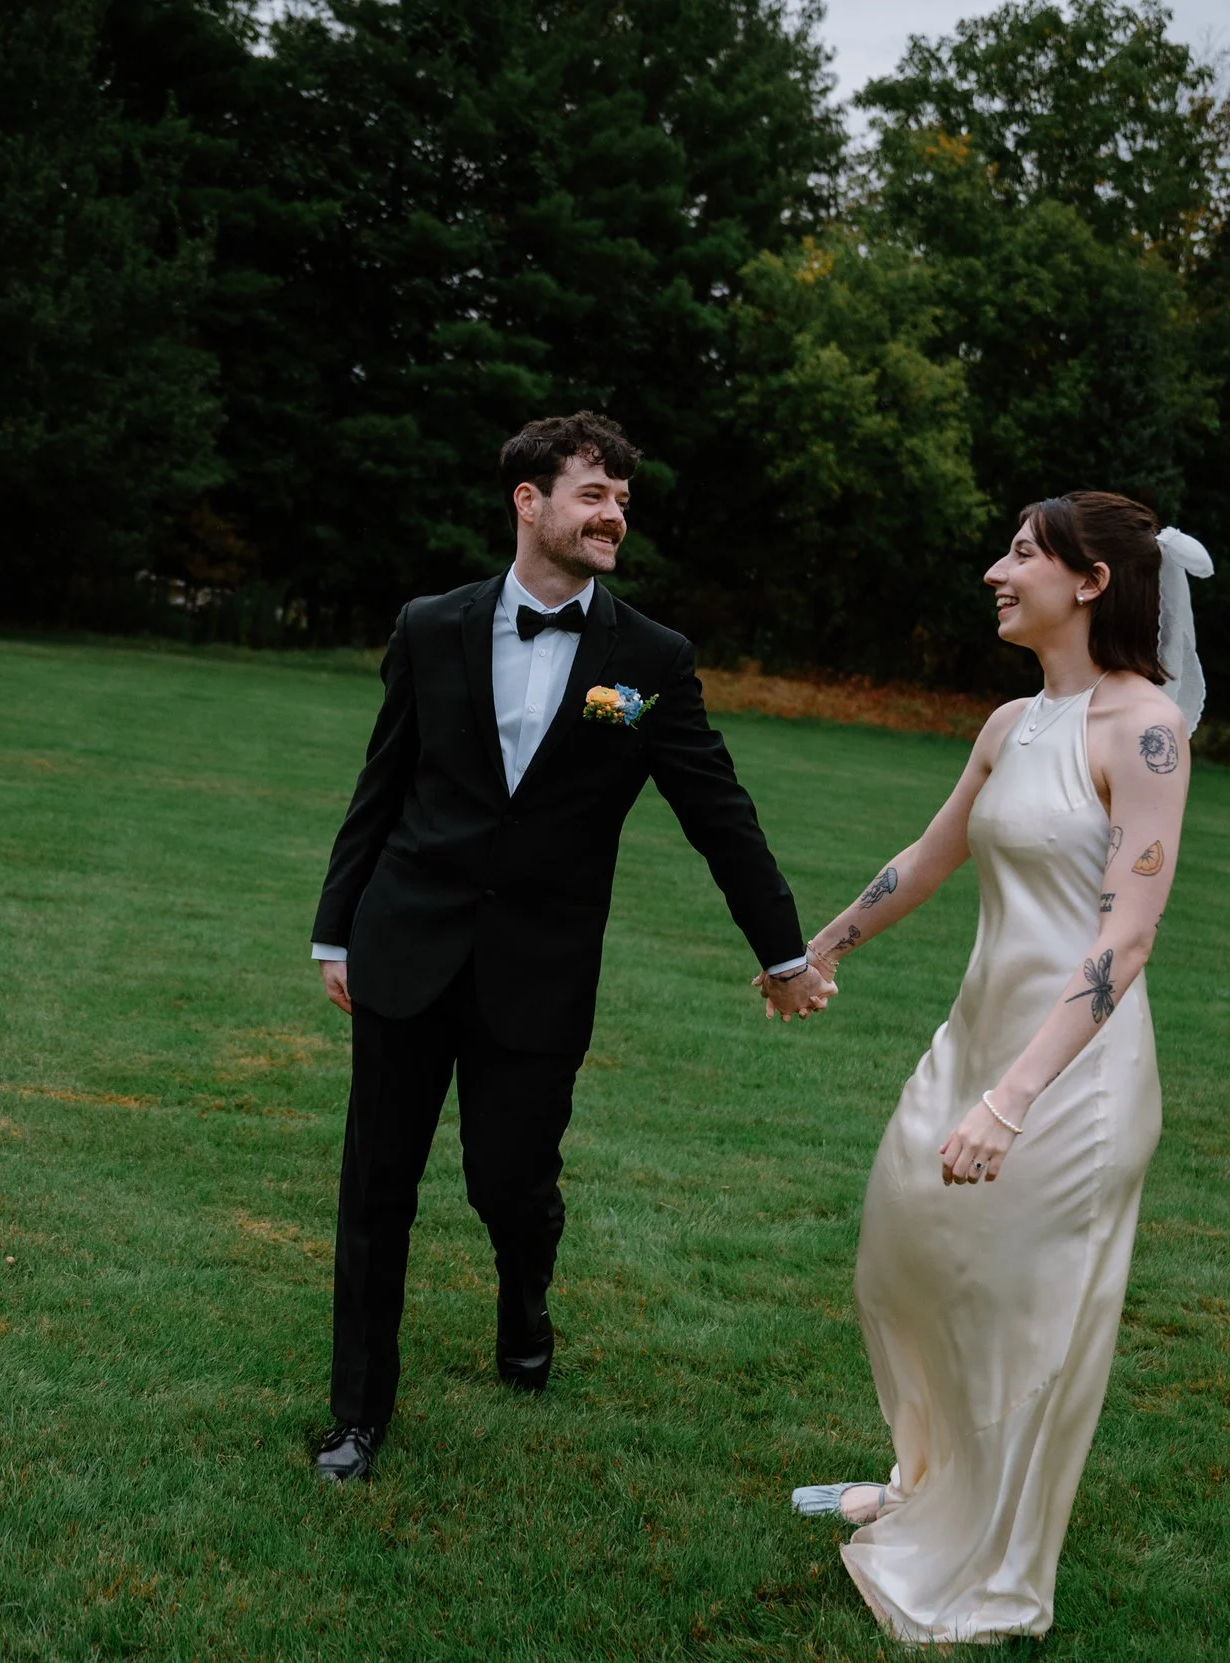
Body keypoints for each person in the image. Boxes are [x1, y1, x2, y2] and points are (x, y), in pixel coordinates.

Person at [306, 411, 836, 1483]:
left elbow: (717, 811)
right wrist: (334, 928)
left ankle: (525, 1294)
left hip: (538, 971)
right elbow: (381, 787)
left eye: (624, 502)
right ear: (529, 501)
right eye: (595, 495)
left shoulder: (647, 659)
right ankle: (358, 1415)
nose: (615, 517)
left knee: (508, 1181)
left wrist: (784, 951)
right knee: (374, 1189)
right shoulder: (429, 624)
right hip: (406, 943)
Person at [788, 491, 1212, 1643]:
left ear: (1090, 582)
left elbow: (1125, 936)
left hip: (1070, 1078)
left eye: (1021, 554)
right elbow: (926, 860)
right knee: (902, 1258)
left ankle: (993, 1572)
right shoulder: (1006, 724)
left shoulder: (1147, 729)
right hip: (971, 1044)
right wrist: (814, 948)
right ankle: (923, 1484)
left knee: (1025, 1318)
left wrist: (1015, 1099)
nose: (994, 570)